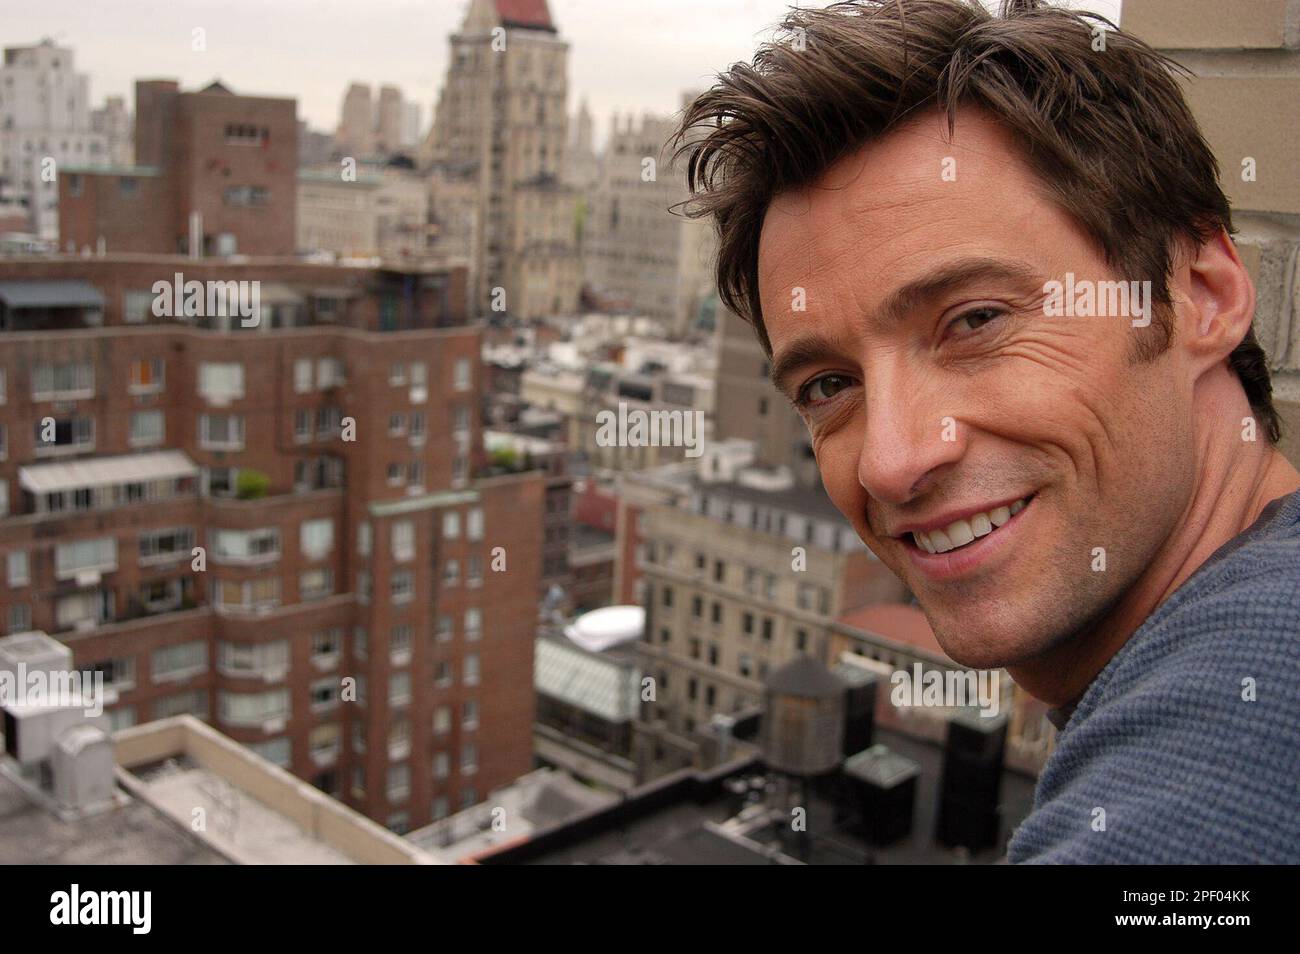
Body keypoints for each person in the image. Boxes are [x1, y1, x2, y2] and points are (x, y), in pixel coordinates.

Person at [673, 0, 1300, 863]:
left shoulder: (1208, 789)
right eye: (828, 385)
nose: (892, 461)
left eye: (974, 321)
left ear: (1203, 296)